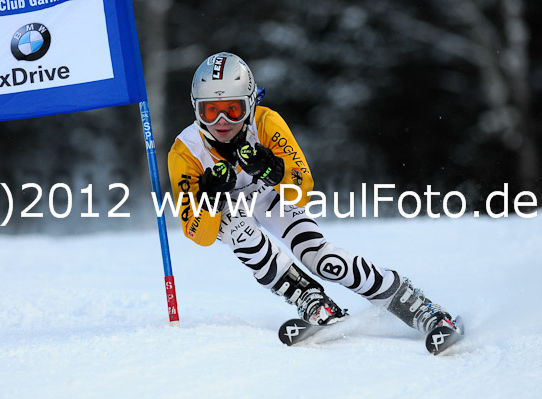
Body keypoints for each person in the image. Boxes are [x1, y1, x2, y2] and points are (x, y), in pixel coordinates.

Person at [168, 52, 459, 333]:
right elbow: (199, 234)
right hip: (230, 212)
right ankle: (308, 297)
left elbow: (301, 190)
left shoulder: (266, 123)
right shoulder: (186, 152)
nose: (222, 121)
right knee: (238, 229)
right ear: (196, 109)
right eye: (210, 110)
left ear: (250, 105)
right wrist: (209, 197)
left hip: (269, 197)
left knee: (321, 260)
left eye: (233, 110)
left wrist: (272, 170)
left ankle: (412, 303)